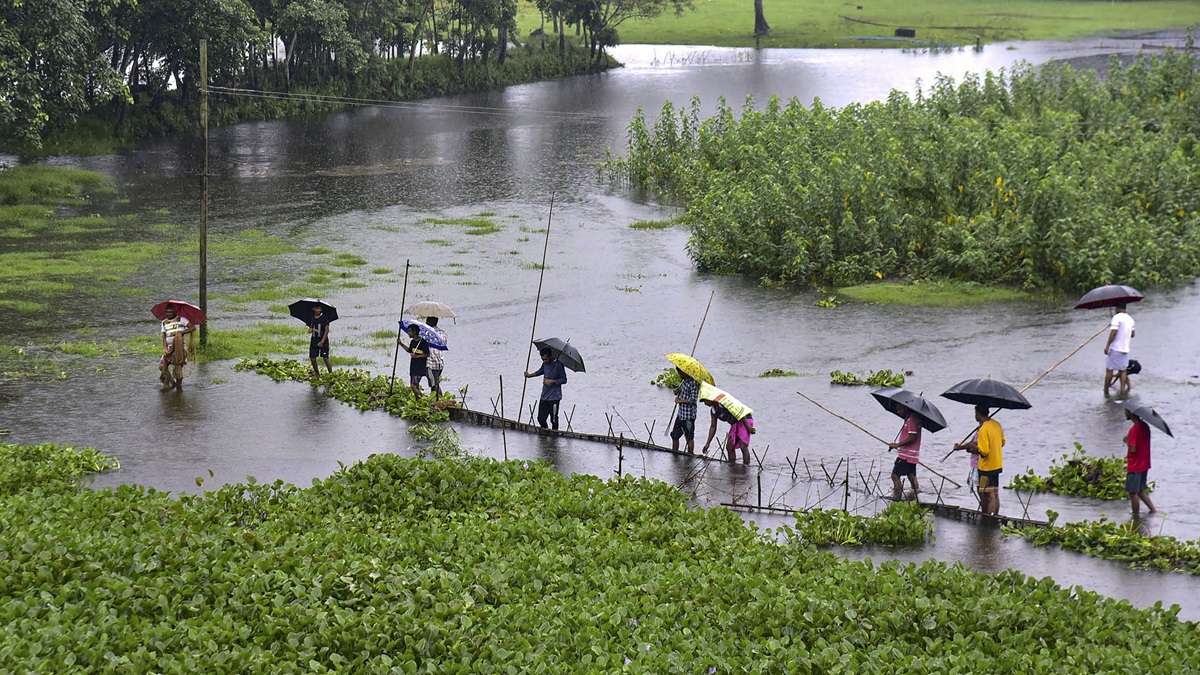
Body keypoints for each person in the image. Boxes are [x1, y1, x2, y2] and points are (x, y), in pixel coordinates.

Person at [956, 405, 1004, 515]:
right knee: (994, 493)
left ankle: (988, 518)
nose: (975, 416)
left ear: (978, 414)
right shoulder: (996, 425)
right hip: (997, 464)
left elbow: (984, 451)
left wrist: (974, 449)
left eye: (975, 413)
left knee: (987, 494)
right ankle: (995, 516)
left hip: (986, 467)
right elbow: (1002, 442)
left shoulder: (983, 429)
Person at [699, 383, 755, 464]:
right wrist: (707, 443)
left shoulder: (724, 403)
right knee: (729, 447)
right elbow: (713, 427)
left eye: (705, 401)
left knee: (743, 446)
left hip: (744, 419)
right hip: (735, 423)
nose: (705, 403)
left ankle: (746, 468)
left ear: (710, 398)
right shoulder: (713, 411)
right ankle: (732, 467)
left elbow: (737, 411)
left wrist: (748, 427)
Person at [1124, 408, 1156, 517]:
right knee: (1141, 490)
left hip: (1135, 465)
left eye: (1126, 411)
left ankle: (1135, 516)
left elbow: (1133, 449)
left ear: (1131, 413)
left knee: (1133, 493)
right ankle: (1153, 510)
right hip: (1144, 463)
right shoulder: (1145, 426)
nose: (1125, 413)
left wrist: (1128, 442)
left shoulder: (1134, 429)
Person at [525, 347, 567, 430]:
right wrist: (529, 375)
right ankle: (545, 433)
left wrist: (552, 381)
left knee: (554, 419)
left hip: (555, 398)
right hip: (544, 396)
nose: (544, 361)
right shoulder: (545, 364)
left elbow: (564, 380)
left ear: (550, 356)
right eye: (542, 359)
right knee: (541, 419)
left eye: (545, 359)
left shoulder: (559, 365)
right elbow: (540, 371)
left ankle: (554, 437)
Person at [887, 411, 921, 501]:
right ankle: (914, 497)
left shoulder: (911, 419)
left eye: (899, 408)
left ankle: (897, 497)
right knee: (911, 475)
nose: (897, 410)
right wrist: (895, 445)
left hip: (906, 455)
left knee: (895, 475)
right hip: (911, 455)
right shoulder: (912, 418)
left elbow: (912, 436)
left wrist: (897, 445)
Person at [1104, 303, 1136, 398]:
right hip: (1125, 349)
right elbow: (1133, 334)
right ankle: (1122, 390)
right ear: (1125, 308)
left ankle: (1106, 390)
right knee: (1123, 370)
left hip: (1115, 348)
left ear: (1117, 308)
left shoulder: (1116, 317)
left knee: (1109, 369)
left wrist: (1107, 345)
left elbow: (1113, 332)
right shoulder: (1131, 319)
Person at [159, 305, 193, 390]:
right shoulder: (164, 322)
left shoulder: (182, 319)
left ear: (175, 312)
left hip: (180, 348)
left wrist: (181, 332)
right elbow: (163, 336)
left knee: (177, 368)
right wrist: (165, 348)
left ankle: (178, 387)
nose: (168, 314)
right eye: (167, 312)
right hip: (169, 347)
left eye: (170, 312)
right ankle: (172, 382)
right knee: (162, 366)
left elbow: (192, 328)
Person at [670, 368, 699, 454]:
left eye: (680, 372)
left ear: (684, 372)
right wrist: (676, 391)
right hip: (681, 414)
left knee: (689, 437)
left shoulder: (693, 383)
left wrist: (680, 401)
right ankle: (675, 455)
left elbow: (693, 400)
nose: (679, 374)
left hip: (688, 417)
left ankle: (690, 456)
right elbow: (680, 391)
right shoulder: (684, 381)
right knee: (675, 436)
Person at [400, 323, 428, 396]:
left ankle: (423, 399)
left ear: (414, 332)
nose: (408, 333)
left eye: (409, 331)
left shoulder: (422, 342)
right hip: (413, 367)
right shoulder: (412, 342)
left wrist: (417, 356)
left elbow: (427, 354)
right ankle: (419, 402)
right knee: (416, 386)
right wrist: (401, 344)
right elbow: (409, 350)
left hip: (420, 368)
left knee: (413, 386)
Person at [308, 305, 332, 378]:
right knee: (312, 358)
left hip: (323, 341)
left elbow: (327, 330)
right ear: (313, 309)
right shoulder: (312, 318)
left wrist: (322, 341)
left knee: (325, 358)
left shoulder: (324, 318)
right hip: (314, 340)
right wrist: (310, 330)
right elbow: (310, 329)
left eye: (319, 309)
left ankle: (331, 374)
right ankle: (317, 373)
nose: (318, 310)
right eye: (316, 308)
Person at [424, 316, 446, 397]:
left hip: (430, 363)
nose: (426, 322)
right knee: (435, 383)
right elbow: (443, 344)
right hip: (440, 363)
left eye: (427, 321)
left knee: (434, 385)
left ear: (430, 322)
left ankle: (439, 401)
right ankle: (438, 401)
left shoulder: (427, 333)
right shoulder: (442, 333)